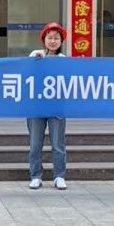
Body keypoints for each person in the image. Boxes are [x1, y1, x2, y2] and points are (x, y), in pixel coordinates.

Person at [28, 22, 68, 190]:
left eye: (56, 38)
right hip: (36, 106)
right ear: (44, 39)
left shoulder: (64, 60)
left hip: (56, 107)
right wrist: (35, 59)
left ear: (61, 41)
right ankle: (35, 176)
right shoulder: (35, 55)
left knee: (58, 144)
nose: (52, 41)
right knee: (35, 144)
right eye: (49, 38)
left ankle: (59, 176)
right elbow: (26, 73)